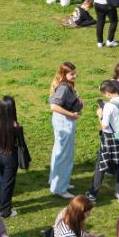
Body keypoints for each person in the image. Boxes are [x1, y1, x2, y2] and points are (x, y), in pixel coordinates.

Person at [47, 62, 82, 198]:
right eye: (72, 74)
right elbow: (54, 106)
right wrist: (71, 114)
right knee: (64, 155)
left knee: (59, 152)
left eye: (75, 73)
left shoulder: (63, 84)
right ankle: (59, 189)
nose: (75, 76)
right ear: (64, 74)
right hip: (64, 123)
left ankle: (57, 182)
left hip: (62, 121)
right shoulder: (63, 88)